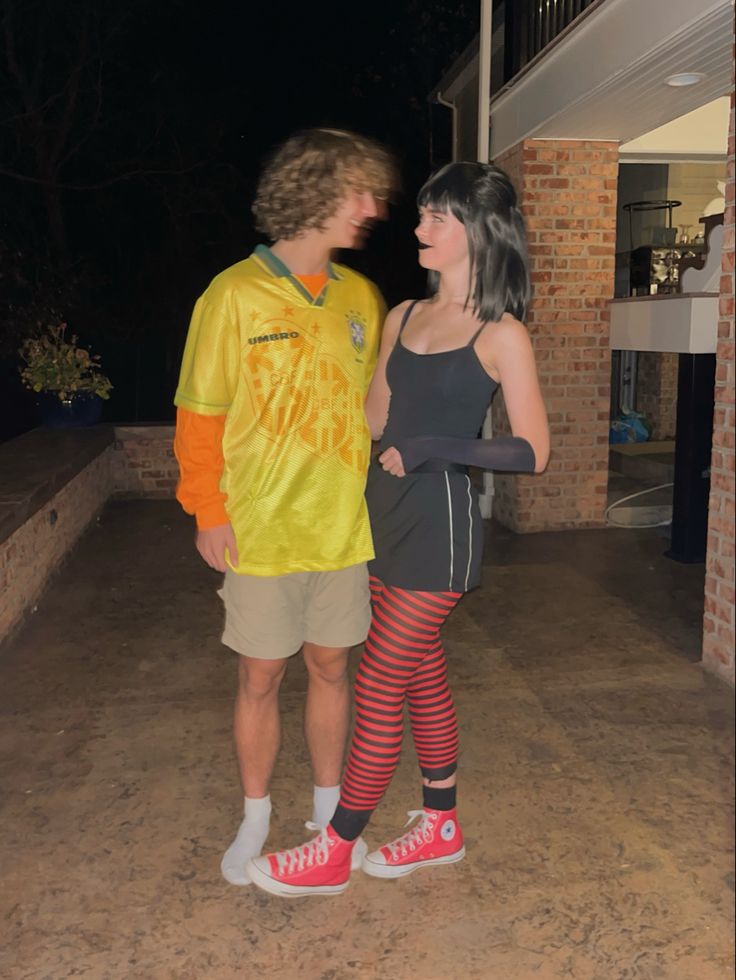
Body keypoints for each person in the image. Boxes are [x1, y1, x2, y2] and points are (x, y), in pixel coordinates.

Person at [247, 161, 550, 897]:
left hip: (440, 525)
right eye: (421, 216)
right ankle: (441, 823)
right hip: (379, 519)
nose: (418, 230)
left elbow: (533, 452)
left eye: (436, 219)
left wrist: (436, 447)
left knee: (380, 679)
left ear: (476, 231)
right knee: (418, 674)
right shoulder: (403, 317)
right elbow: (372, 421)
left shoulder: (501, 332)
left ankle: (337, 845)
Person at [173, 128, 397, 886]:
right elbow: (199, 414)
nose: (373, 208)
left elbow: (373, 409)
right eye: (358, 192)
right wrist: (209, 508)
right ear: (313, 194)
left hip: (341, 528)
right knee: (261, 675)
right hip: (260, 528)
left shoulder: (362, 298)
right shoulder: (232, 294)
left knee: (333, 668)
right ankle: (256, 817)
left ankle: (331, 822)